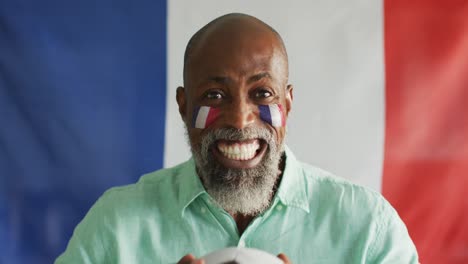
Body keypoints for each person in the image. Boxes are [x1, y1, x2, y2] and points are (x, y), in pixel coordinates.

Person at [55, 13, 419, 263]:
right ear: (184, 106)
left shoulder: (367, 228)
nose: (241, 121)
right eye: (214, 95)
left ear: (287, 104)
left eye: (262, 94)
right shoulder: (116, 228)